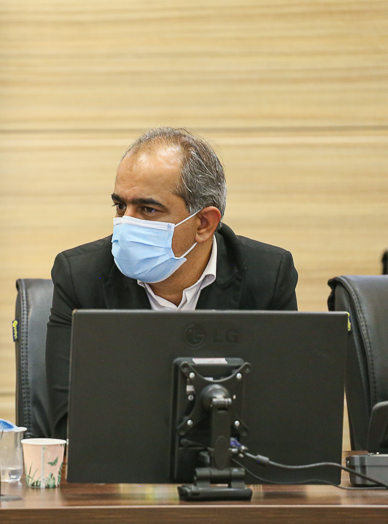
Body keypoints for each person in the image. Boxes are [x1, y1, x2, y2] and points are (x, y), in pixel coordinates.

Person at [46, 127, 298, 440]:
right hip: (121, 468)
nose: (127, 223)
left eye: (147, 209)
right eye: (121, 206)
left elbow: (282, 417)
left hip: (229, 464)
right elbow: (71, 423)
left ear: (204, 223)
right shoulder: (80, 276)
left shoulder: (267, 276)